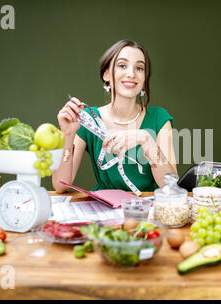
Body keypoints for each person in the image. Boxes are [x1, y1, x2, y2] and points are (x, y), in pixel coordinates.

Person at [52, 40, 177, 194]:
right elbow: (60, 185)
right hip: (104, 210)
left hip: (149, 210)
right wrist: (68, 136)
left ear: (144, 78)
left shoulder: (159, 118)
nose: (131, 74)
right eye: (122, 65)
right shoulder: (88, 120)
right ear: (106, 74)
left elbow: (171, 187)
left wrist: (146, 140)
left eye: (139, 68)